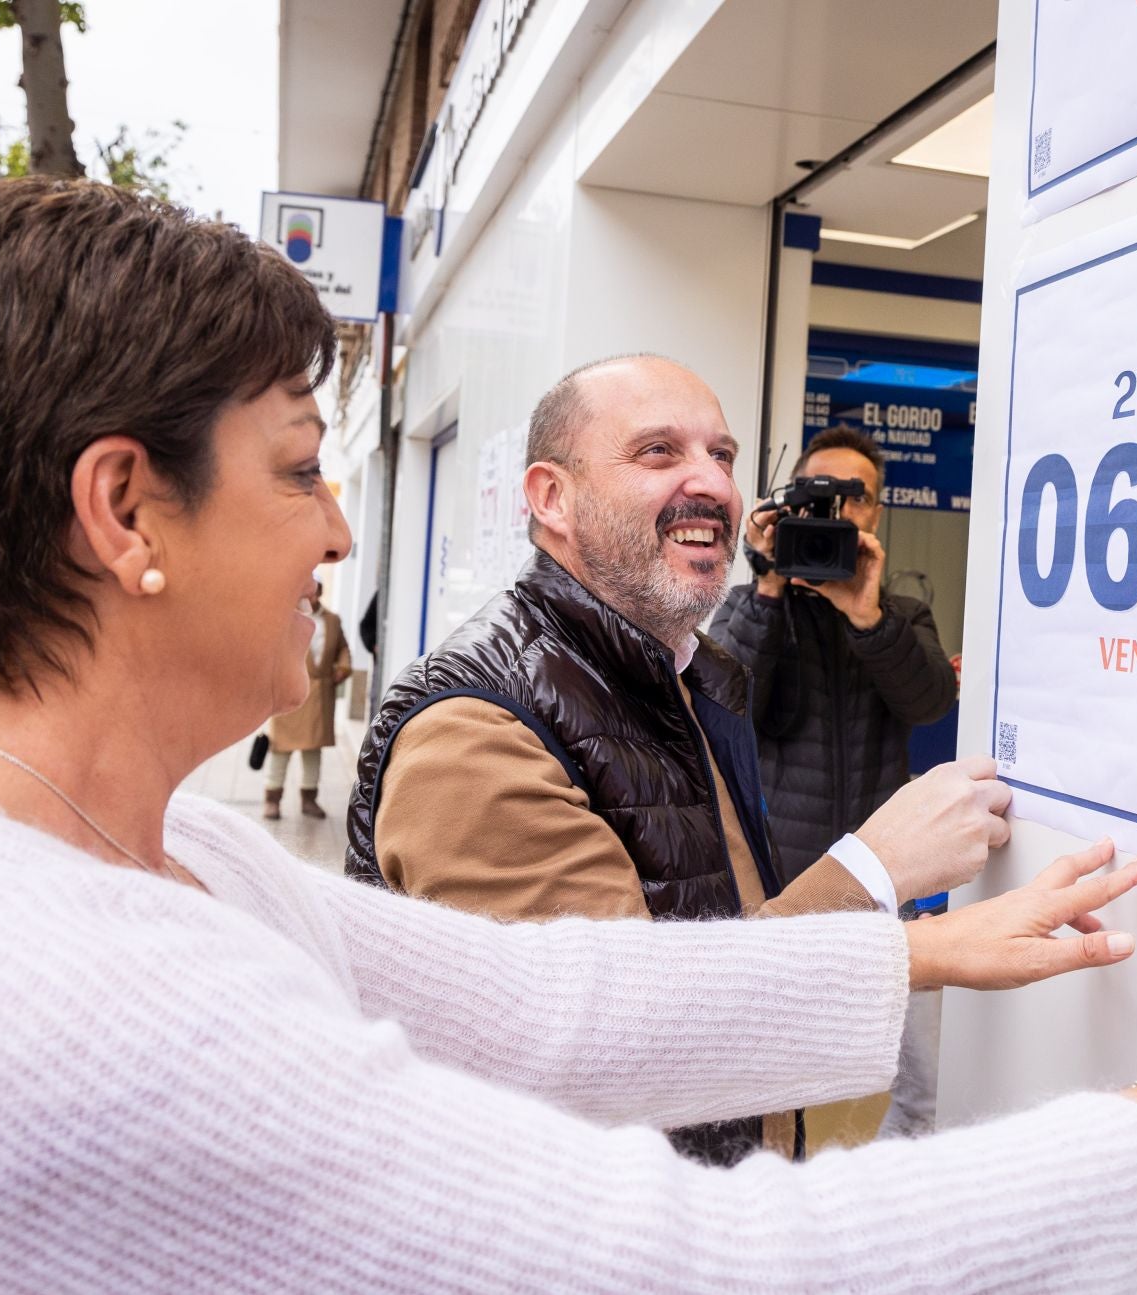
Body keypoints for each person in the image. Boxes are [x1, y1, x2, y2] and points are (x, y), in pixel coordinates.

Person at [0, 177, 1137, 1293]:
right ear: (123, 508)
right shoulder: (60, 995)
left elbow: (548, 1009)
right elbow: (687, 1269)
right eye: (297, 471)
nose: (340, 537)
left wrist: (922, 961)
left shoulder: (154, 852)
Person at [345, 354, 989, 1165]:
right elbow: (616, 1046)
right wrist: (876, 869)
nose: (713, 484)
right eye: (658, 452)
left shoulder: (677, 674)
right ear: (552, 497)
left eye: (721, 456)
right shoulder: (473, 731)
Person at [711, 426, 956, 1138]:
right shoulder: (754, 602)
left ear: (877, 515)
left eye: (857, 497)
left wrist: (867, 617)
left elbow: (930, 701)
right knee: (765, 1085)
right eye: (822, 495)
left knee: (913, 1083)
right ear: (789, 507)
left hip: (890, 882)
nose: (839, 512)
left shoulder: (900, 607)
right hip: (789, 883)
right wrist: (765, 585)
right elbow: (725, 705)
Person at [264, 575, 351, 820]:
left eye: (315, 590)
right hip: (289, 692)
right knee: (281, 748)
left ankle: (309, 799)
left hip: (319, 695)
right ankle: (272, 798)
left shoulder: (332, 620)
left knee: (313, 750)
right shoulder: (286, 617)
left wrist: (342, 668)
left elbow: (343, 648)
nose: (311, 595)